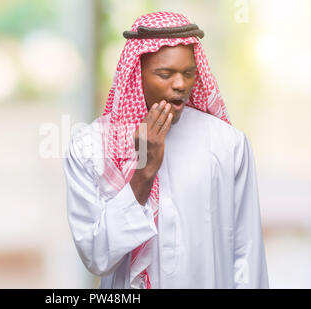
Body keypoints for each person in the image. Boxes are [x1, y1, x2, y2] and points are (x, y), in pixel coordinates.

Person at [63, 11, 269, 289]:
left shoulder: (227, 143)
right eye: (165, 74)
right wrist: (143, 173)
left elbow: (247, 254)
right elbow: (97, 257)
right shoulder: (90, 147)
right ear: (136, 75)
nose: (180, 84)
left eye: (188, 74)